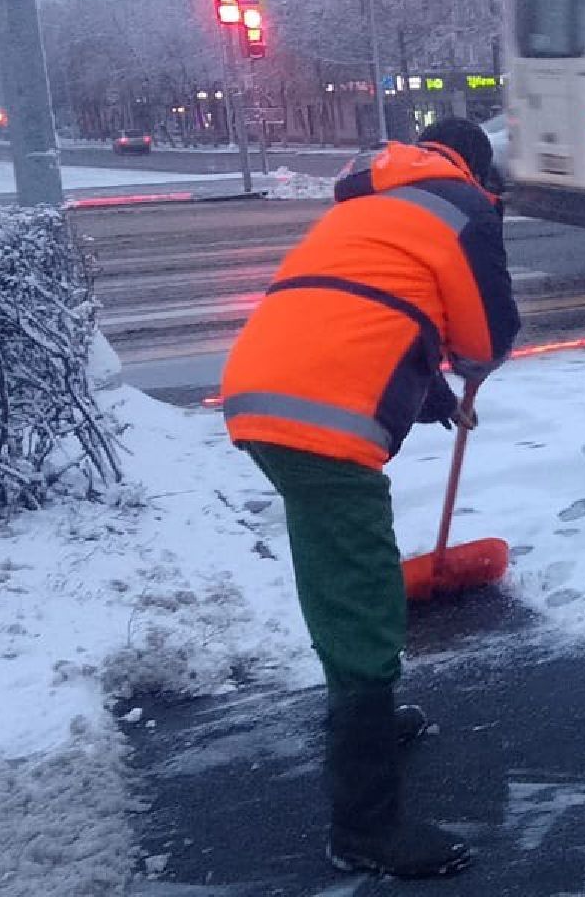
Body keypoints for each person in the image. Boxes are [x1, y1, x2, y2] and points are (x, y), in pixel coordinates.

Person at [219, 119, 519, 878]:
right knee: (361, 605)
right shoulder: (463, 207)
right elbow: (488, 336)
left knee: (339, 577)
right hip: (320, 423)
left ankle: (370, 723)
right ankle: (364, 830)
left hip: (263, 392)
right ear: (476, 167)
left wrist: (437, 398)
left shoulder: (371, 204)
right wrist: (469, 366)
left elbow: (365, 312)